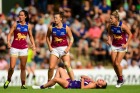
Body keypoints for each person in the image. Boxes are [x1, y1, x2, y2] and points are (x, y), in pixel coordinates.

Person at [3, 10, 36, 89]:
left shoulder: (28, 26)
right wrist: (8, 42)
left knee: (23, 67)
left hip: (24, 48)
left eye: (21, 15)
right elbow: (10, 33)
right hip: (14, 47)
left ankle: (23, 84)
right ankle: (8, 79)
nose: (20, 17)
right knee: (12, 67)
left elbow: (31, 36)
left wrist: (33, 44)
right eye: (19, 15)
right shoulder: (15, 24)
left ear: (25, 16)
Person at [46, 12, 74, 83]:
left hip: (64, 48)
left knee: (67, 65)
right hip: (54, 49)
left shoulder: (66, 28)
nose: (55, 19)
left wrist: (68, 48)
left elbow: (71, 38)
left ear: (61, 19)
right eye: (54, 18)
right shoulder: (51, 27)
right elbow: (47, 37)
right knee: (51, 67)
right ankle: (49, 82)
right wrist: (49, 46)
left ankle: (73, 82)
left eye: (56, 18)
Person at [106, 10, 132, 88]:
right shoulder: (110, 26)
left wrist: (127, 44)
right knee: (114, 64)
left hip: (122, 46)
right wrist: (109, 39)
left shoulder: (122, 26)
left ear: (116, 19)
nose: (110, 20)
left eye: (111, 18)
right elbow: (109, 34)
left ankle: (121, 80)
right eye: (110, 18)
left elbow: (130, 34)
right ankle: (120, 79)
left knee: (117, 63)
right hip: (114, 45)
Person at [32, 67, 107, 89]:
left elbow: (83, 88)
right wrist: (88, 78)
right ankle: (52, 85)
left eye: (102, 81)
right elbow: (82, 76)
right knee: (60, 69)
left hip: (69, 85)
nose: (102, 80)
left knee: (56, 79)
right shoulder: (93, 82)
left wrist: (83, 80)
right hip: (71, 81)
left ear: (100, 85)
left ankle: (41, 87)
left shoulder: (93, 85)